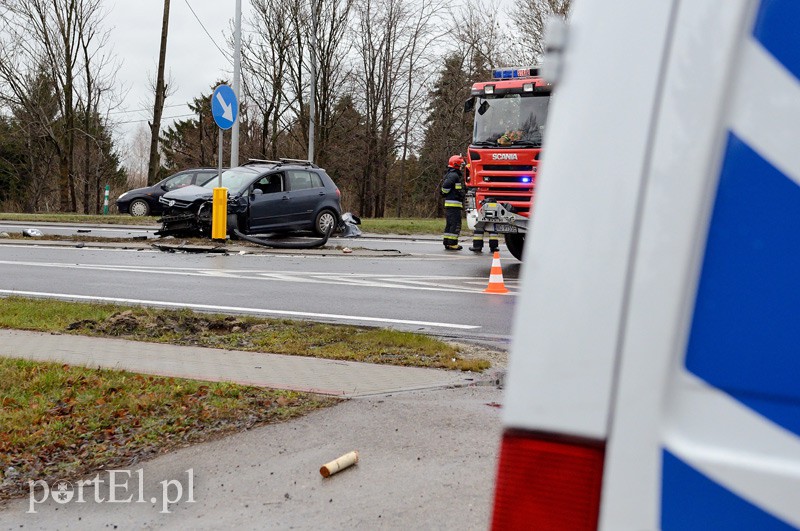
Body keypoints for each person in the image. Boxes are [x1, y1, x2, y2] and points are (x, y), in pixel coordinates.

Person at [440, 155, 466, 250]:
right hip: (454, 204)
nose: (462, 166)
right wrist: (444, 192)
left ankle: (447, 241)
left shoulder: (452, 174)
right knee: (455, 224)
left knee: (450, 224)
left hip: (452, 204)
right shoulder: (454, 175)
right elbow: (445, 187)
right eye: (461, 164)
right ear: (456, 164)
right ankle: (452, 243)